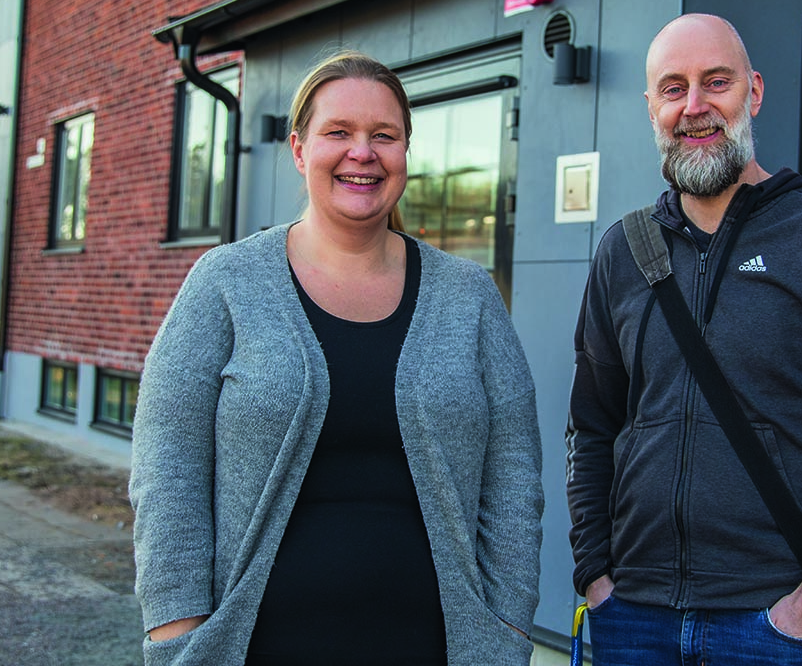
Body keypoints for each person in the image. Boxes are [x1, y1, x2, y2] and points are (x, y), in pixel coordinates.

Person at [130, 50, 544, 666]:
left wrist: (506, 626)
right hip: (256, 649)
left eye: (385, 135)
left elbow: (513, 468)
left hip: (434, 649)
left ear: (406, 152)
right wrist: (179, 632)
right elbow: (169, 465)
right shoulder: (226, 282)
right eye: (339, 133)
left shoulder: (468, 294)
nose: (363, 152)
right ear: (299, 150)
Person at [565, 14, 802, 665]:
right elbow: (591, 428)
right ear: (651, 107)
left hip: (777, 624)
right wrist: (596, 574)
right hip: (633, 619)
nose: (695, 106)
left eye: (717, 82)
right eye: (673, 88)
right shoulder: (624, 251)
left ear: (753, 93)